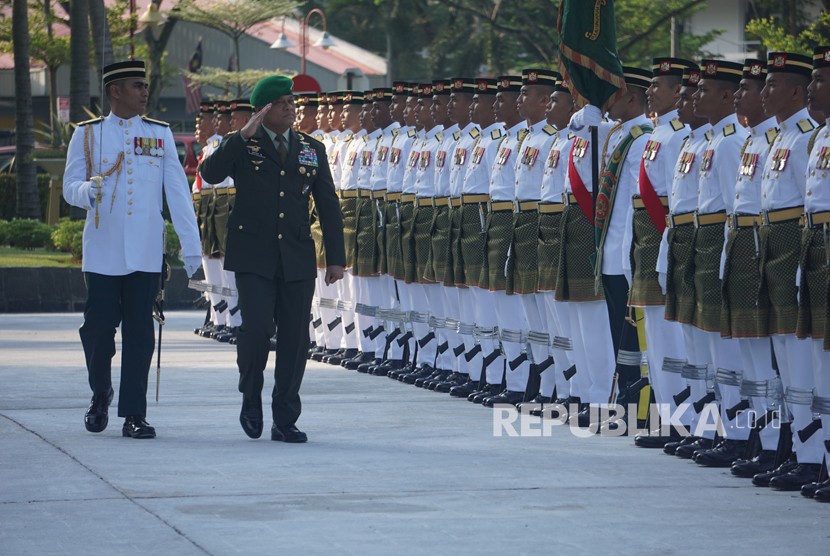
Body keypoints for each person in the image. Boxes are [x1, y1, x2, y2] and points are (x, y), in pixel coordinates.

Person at [199, 75, 345, 442]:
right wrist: (242, 135)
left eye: (291, 102)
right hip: (254, 256)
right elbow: (210, 174)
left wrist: (336, 258)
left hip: (296, 256)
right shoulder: (243, 146)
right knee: (257, 329)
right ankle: (251, 397)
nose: (290, 108)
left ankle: (285, 418)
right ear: (263, 110)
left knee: (296, 339)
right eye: (281, 103)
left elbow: (327, 205)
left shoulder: (312, 148)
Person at [62, 60, 202, 439]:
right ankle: (100, 392)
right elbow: (68, 185)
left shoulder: (159, 134)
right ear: (115, 91)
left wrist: (193, 255)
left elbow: (178, 194)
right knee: (97, 330)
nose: (144, 92)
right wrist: (84, 192)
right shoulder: (88, 134)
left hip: (144, 253)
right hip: (103, 252)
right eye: (137, 86)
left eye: (145, 85)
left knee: (140, 334)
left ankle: (134, 414)